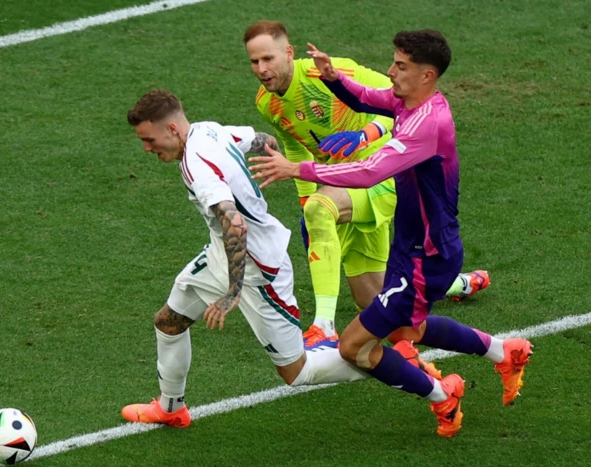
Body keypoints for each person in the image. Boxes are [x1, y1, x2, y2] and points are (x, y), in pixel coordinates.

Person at [249, 31, 532, 437]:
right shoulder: (410, 101)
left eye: (400, 66)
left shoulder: (426, 125)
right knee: (405, 330)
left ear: (427, 75)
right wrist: (333, 79)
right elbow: (367, 97)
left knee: (353, 346)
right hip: (411, 245)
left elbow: (370, 172)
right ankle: (504, 352)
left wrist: (301, 170)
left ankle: (442, 397)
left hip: (428, 256)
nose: (390, 71)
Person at [119, 89, 441, 427]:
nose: (146, 148)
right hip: (222, 253)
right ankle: (171, 409)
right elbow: (258, 139)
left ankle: (411, 372)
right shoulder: (207, 129)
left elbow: (236, 225)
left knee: (296, 371)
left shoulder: (197, 166)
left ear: (171, 129)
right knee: (169, 322)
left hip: (258, 268)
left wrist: (232, 292)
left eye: (149, 139)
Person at [244, 21, 490, 351]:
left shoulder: (339, 76)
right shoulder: (267, 102)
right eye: (254, 62)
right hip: (341, 180)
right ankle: (454, 286)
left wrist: (364, 135)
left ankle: (323, 327)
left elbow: (389, 122)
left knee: (322, 210)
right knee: (375, 303)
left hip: (381, 175)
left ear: (288, 53)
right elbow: (298, 141)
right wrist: (305, 195)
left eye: (268, 59)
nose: (261, 69)